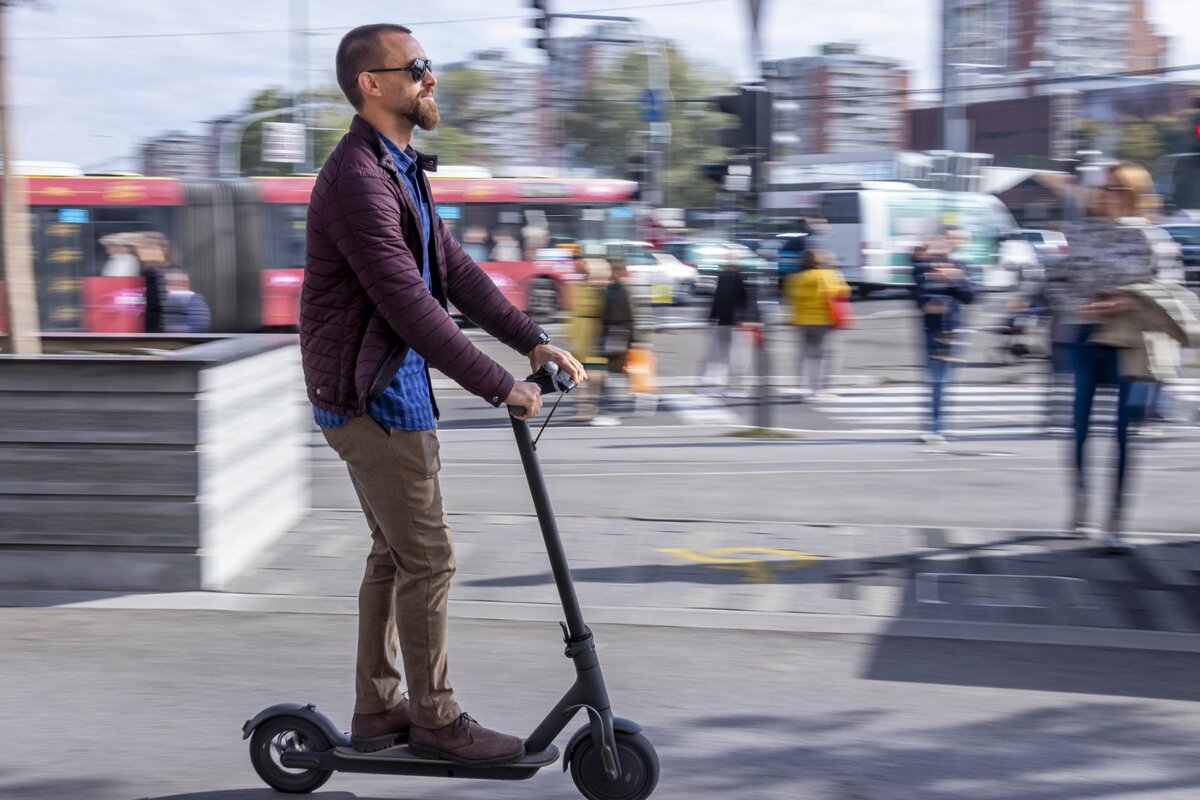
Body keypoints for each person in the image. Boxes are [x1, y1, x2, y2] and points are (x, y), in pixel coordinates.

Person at [300, 23, 586, 767]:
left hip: (383, 388)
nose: (432, 80)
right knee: (429, 558)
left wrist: (530, 340)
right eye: (419, 68)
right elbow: (409, 304)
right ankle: (434, 717)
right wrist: (503, 388)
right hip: (373, 398)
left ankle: (376, 705)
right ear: (373, 83)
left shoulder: (395, 167)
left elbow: (451, 269)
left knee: (394, 556)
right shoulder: (359, 181)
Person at [1044, 162, 1192, 548]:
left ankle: (1116, 521)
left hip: (1131, 341)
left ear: (1133, 194)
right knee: (1079, 427)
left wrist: (1127, 298)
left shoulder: (1151, 238)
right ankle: (1080, 504)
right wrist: (1081, 308)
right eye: (1103, 188)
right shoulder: (1078, 233)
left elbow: (1170, 289)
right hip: (1085, 337)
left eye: (1114, 189)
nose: (1104, 195)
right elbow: (1055, 282)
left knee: (1125, 433)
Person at [912, 235, 975, 444]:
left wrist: (955, 278)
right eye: (936, 245)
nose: (940, 249)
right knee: (935, 380)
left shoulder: (959, 267)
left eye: (944, 244)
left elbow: (970, 296)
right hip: (932, 329)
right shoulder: (923, 269)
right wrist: (927, 303)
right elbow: (916, 294)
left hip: (953, 331)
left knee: (944, 381)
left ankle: (938, 427)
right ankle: (935, 427)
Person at [784, 248, 850, 400]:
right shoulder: (831, 275)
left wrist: (794, 321)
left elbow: (792, 301)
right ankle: (823, 388)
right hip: (826, 321)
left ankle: (807, 387)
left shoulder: (796, 278)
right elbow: (844, 292)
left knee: (807, 355)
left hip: (804, 322)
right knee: (829, 355)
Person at [589, 256, 639, 426]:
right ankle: (608, 410)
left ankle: (609, 411)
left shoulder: (623, 289)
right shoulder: (608, 288)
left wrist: (634, 340)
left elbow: (631, 316)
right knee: (611, 375)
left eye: (613, 269)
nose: (610, 273)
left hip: (618, 336)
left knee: (612, 376)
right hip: (609, 335)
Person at [701, 260, 754, 394]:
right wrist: (745, 318)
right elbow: (746, 301)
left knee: (720, 354)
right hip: (737, 322)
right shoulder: (740, 279)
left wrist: (711, 319)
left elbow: (717, 301)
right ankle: (736, 385)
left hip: (723, 321)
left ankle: (715, 383)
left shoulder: (722, 279)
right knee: (736, 355)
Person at [134, 232, 171, 334]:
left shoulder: (169, 273)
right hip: (143, 334)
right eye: (141, 246)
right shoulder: (142, 273)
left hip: (161, 335)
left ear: (163, 250)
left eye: (149, 246)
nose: (142, 250)